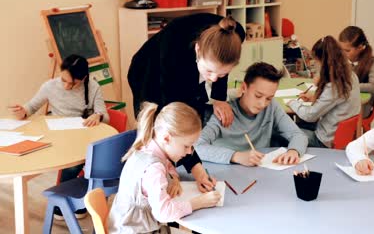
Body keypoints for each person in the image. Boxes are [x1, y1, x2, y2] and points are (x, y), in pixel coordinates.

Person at [127, 13, 246, 192]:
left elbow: (219, 67)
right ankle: (157, 179)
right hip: (147, 70)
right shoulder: (175, 60)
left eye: (221, 75)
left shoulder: (233, 36)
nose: (214, 79)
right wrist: (197, 169)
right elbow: (176, 123)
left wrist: (219, 98)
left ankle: (178, 164)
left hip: (187, 65)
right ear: (198, 51)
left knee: (193, 113)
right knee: (161, 130)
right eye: (209, 71)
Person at [9, 54, 109, 219]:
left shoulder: (93, 87)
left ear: (83, 78)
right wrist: (22, 112)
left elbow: (104, 115)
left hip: (83, 136)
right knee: (66, 160)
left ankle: (68, 200)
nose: (66, 86)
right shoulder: (50, 86)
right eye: (63, 80)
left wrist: (97, 115)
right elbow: (31, 107)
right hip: (59, 136)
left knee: (75, 162)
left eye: (73, 83)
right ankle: (68, 198)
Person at [108, 102, 221, 233]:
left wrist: (174, 178)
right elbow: (163, 213)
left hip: (124, 224)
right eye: (186, 146)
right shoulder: (154, 169)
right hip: (135, 230)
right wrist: (198, 203)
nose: (190, 152)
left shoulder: (148, 146)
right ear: (167, 138)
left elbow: (167, 165)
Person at [195, 62, 308, 166]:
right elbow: (197, 147)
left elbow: (298, 134)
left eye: (269, 98)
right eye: (258, 96)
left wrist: (294, 151)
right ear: (244, 88)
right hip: (228, 173)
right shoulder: (224, 112)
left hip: (262, 171)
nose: (263, 104)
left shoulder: (271, 106)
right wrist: (235, 156)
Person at [287, 36, 361, 148]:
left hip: (325, 141)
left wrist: (292, 103)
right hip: (341, 135)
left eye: (316, 61)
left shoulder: (334, 86)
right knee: (298, 124)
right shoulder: (350, 75)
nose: (316, 65)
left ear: (323, 62)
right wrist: (315, 97)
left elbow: (310, 115)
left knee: (282, 132)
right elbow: (335, 100)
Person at [339, 26, 374, 118]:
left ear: (360, 47)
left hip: (362, 106)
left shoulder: (372, 62)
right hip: (343, 101)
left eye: (347, 50)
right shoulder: (341, 60)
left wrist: (348, 86)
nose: (343, 53)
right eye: (341, 49)